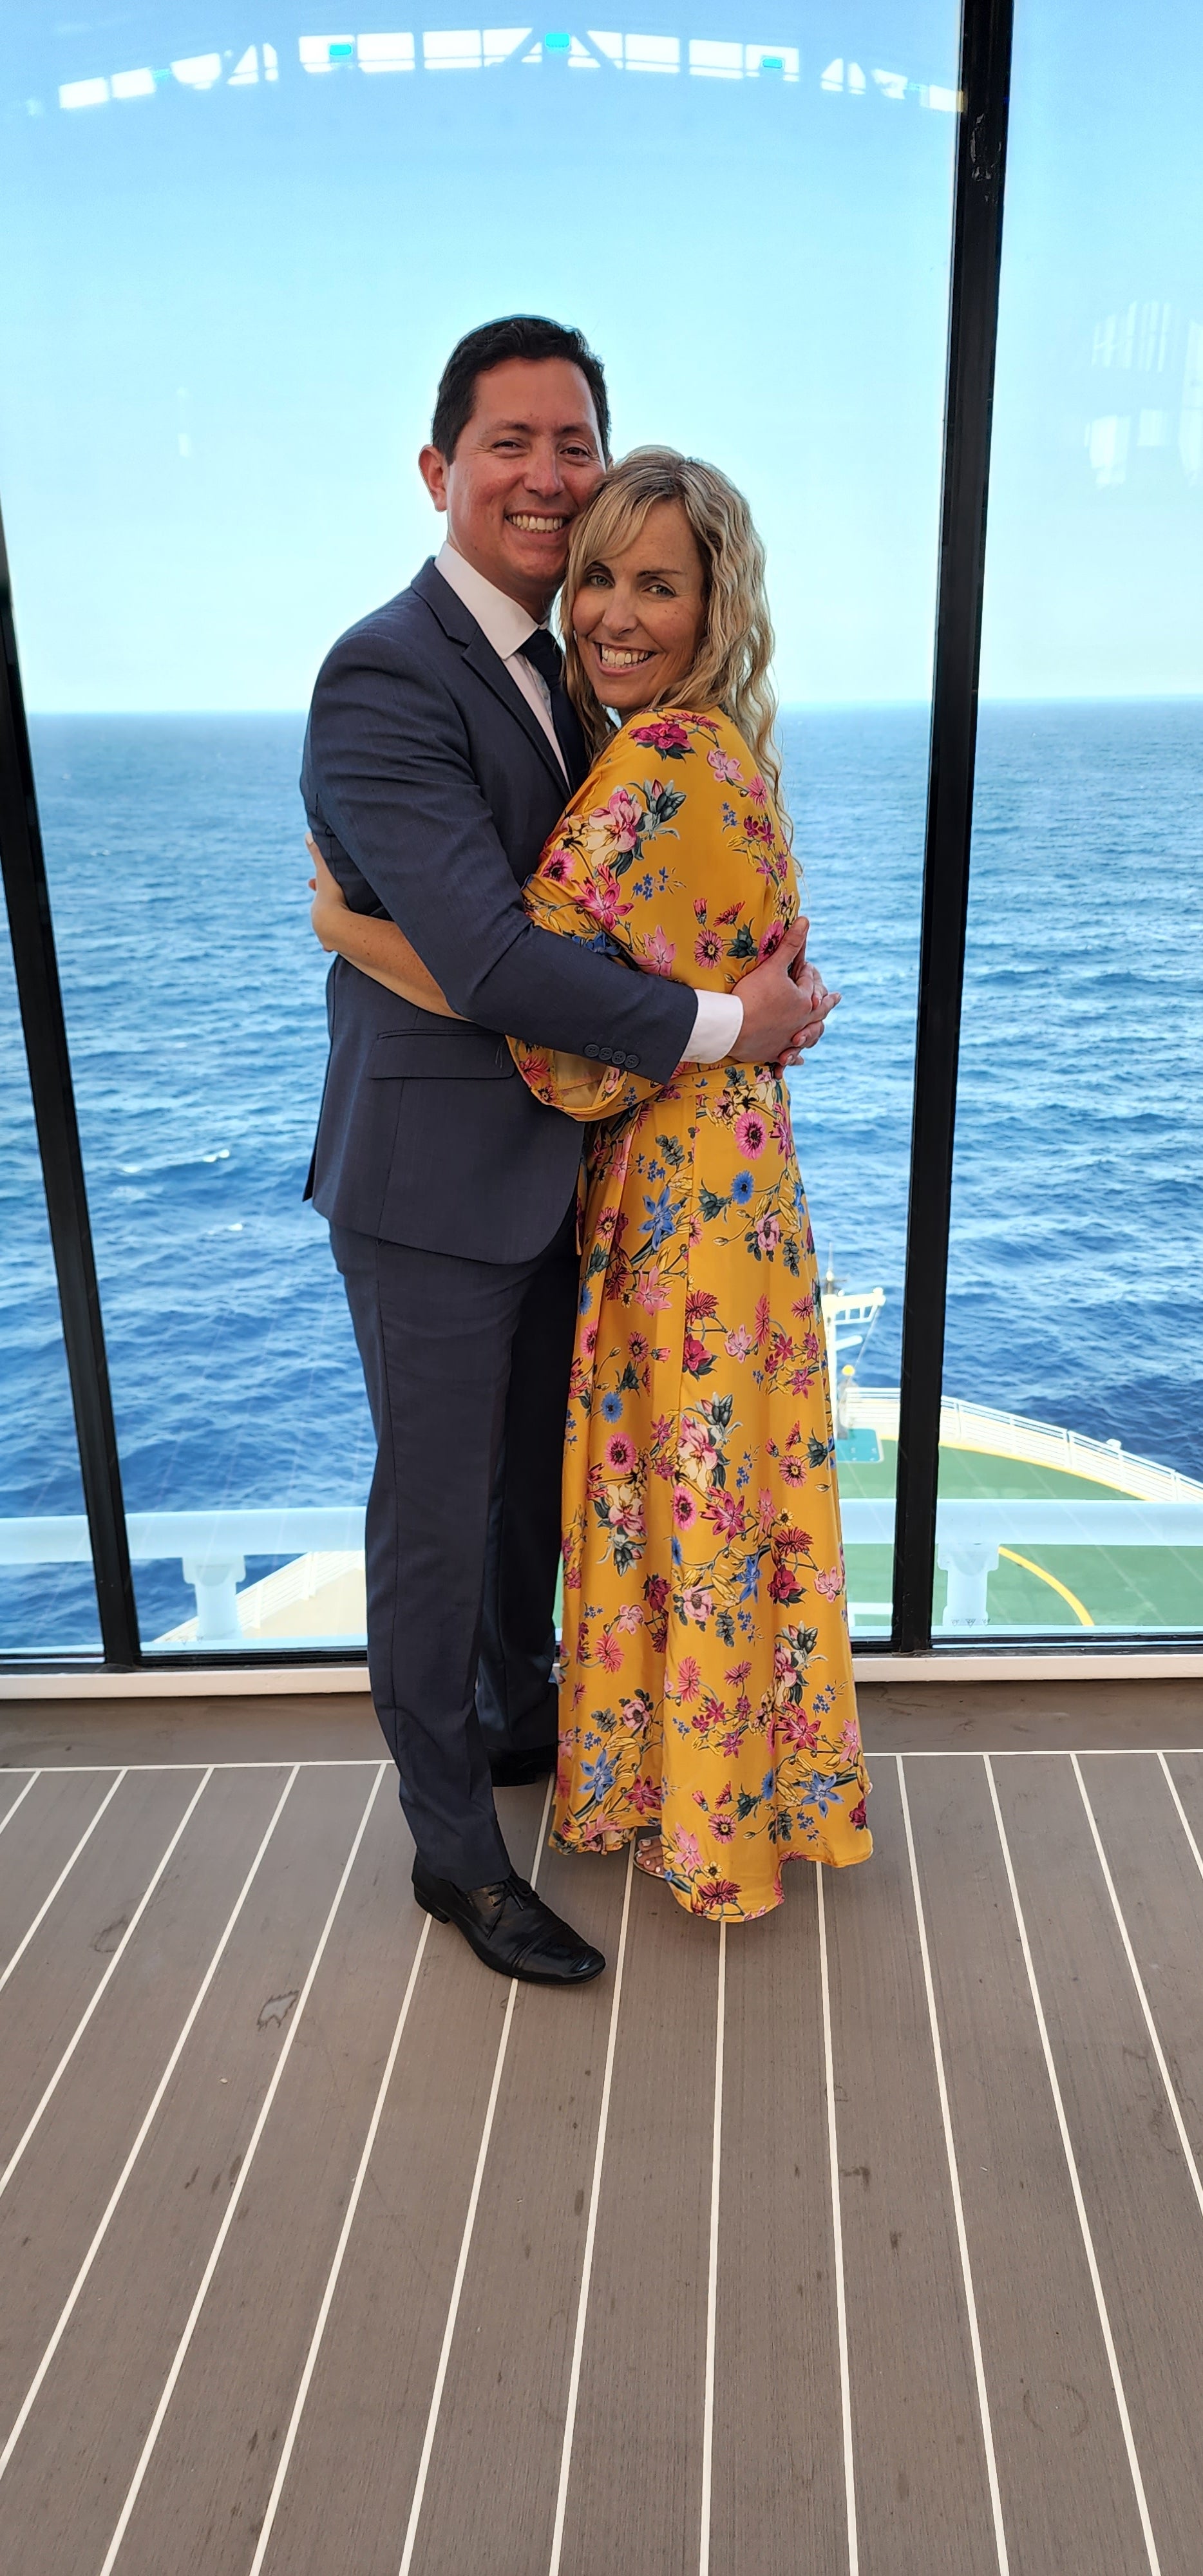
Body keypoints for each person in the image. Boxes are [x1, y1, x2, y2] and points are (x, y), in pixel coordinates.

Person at [301, 319, 835, 1984]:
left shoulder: (588, 687)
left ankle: (526, 1734)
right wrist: (725, 1031)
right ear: (438, 469)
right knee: (438, 1527)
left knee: (535, 1501)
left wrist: (350, 931)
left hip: (581, 1182)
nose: (545, 473)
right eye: (510, 441)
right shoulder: (389, 671)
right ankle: (453, 1857)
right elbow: (504, 965)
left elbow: (614, 922)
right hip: (442, 1195)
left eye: (571, 441)